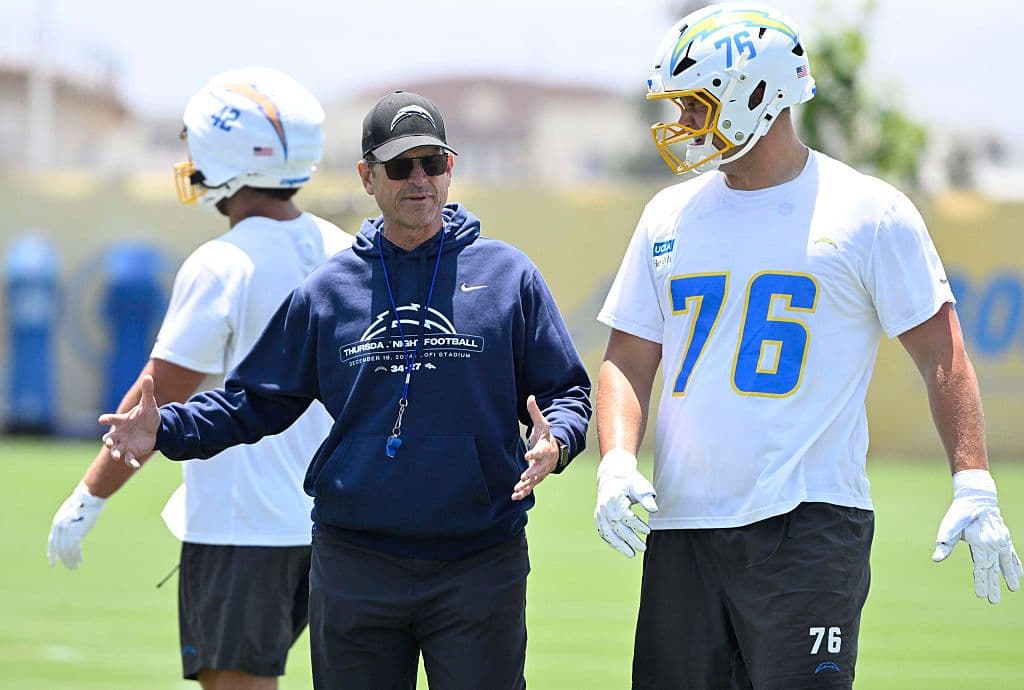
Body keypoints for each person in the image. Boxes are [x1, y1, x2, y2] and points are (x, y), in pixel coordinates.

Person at [98, 89, 592, 690]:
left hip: (480, 560)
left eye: (432, 163)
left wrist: (558, 440)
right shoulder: (328, 290)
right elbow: (257, 399)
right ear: (367, 177)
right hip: (357, 564)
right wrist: (166, 428)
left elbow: (566, 391)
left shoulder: (509, 276)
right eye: (400, 165)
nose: (420, 179)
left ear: (449, 169)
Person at [593, 4, 1022, 689]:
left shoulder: (868, 211)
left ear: (753, 96)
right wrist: (616, 460)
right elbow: (628, 356)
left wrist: (973, 480)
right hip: (684, 526)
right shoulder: (667, 214)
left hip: (808, 524)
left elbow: (943, 350)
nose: (683, 126)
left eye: (696, 106)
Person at [47, 67, 353, 690]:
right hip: (340, 523)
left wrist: (89, 497)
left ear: (226, 151)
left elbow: (151, 404)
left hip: (243, 528)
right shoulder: (347, 249)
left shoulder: (222, 263)